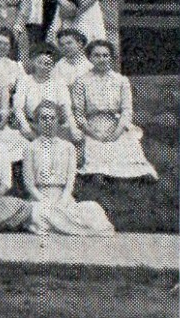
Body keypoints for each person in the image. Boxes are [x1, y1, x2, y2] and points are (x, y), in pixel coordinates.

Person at [23, 100, 116, 236]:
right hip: (40, 199)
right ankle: (71, 227)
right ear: (37, 122)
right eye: (44, 118)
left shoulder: (68, 148)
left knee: (93, 208)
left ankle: (62, 225)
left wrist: (63, 200)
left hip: (63, 198)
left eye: (52, 118)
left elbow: (70, 181)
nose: (48, 122)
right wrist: (45, 201)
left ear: (58, 121)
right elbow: (29, 185)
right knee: (38, 213)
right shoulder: (30, 148)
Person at [72, 38, 158, 182]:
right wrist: (93, 133)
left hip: (116, 123)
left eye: (105, 55)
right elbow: (78, 114)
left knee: (127, 144)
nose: (102, 59)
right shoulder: (82, 81)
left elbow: (126, 110)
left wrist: (117, 132)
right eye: (97, 55)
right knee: (97, 148)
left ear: (111, 58)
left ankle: (133, 173)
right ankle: (100, 172)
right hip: (92, 125)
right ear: (89, 58)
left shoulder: (121, 81)